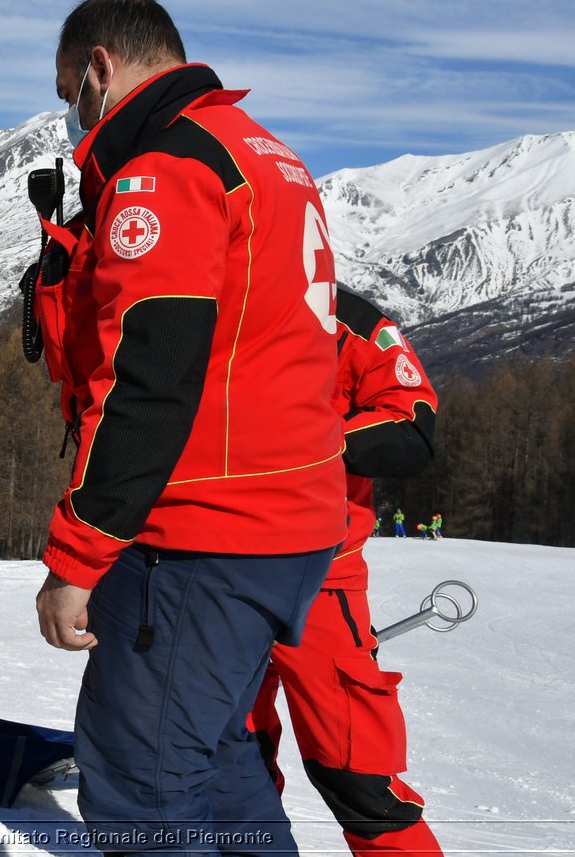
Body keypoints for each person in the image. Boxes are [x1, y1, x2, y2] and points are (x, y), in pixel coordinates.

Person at [29, 0, 347, 854]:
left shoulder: (165, 169)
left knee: (142, 785)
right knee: (214, 753)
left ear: (101, 66)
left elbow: (149, 378)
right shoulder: (263, 155)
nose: (73, 121)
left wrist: (79, 553)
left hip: (204, 534)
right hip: (289, 525)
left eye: (70, 98)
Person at [251, 286, 442, 855]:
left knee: (355, 772)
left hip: (320, 573)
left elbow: (413, 423)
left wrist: (301, 440)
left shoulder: (346, 318)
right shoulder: (189, 290)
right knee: (230, 757)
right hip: (199, 570)